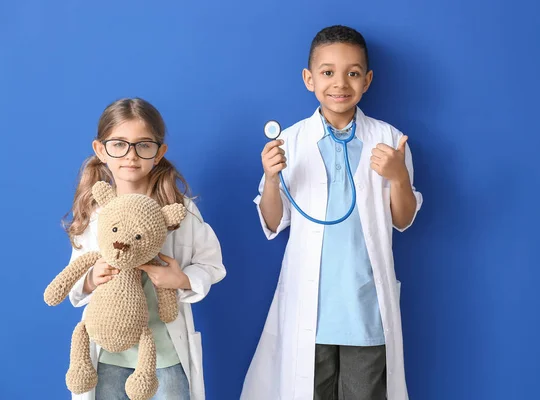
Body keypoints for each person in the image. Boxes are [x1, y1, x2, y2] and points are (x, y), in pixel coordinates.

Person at [242, 25, 423, 400]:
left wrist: (399, 177)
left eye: (353, 73)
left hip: (365, 311)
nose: (340, 83)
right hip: (310, 311)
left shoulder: (390, 140)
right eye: (327, 72)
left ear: (367, 80)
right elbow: (274, 223)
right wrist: (271, 178)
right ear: (309, 79)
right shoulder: (290, 141)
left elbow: (403, 219)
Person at [64, 97, 226, 400]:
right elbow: (74, 280)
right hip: (108, 353)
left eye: (143, 145)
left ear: (159, 152)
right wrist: (91, 278)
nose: (131, 155)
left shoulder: (179, 210)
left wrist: (182, 280)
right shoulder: (94, 212)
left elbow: (213, 265)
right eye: (119, 144)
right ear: (101, 150)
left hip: (165, 354)